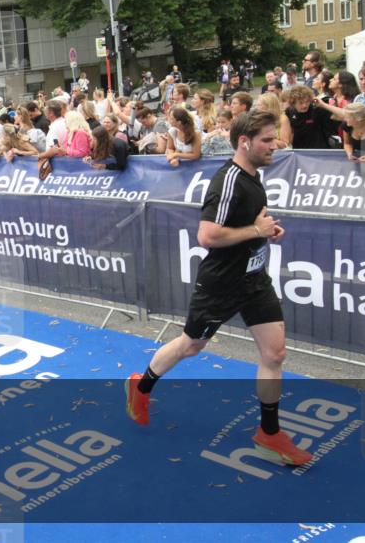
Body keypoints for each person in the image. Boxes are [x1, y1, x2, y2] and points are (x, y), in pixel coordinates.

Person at [126, 110, 313, 467]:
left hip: (254, 281)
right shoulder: (227, 179)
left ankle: (269, 434)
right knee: (191, 346)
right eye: (267, 140)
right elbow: (207, 235)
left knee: (274, 354)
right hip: (221, 284)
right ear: (245, 142)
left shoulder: (254, 176)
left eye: (274, 138)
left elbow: (250, 220)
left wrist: (266, 229)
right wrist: (256, 232)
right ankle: (141, 385)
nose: (275, 145)